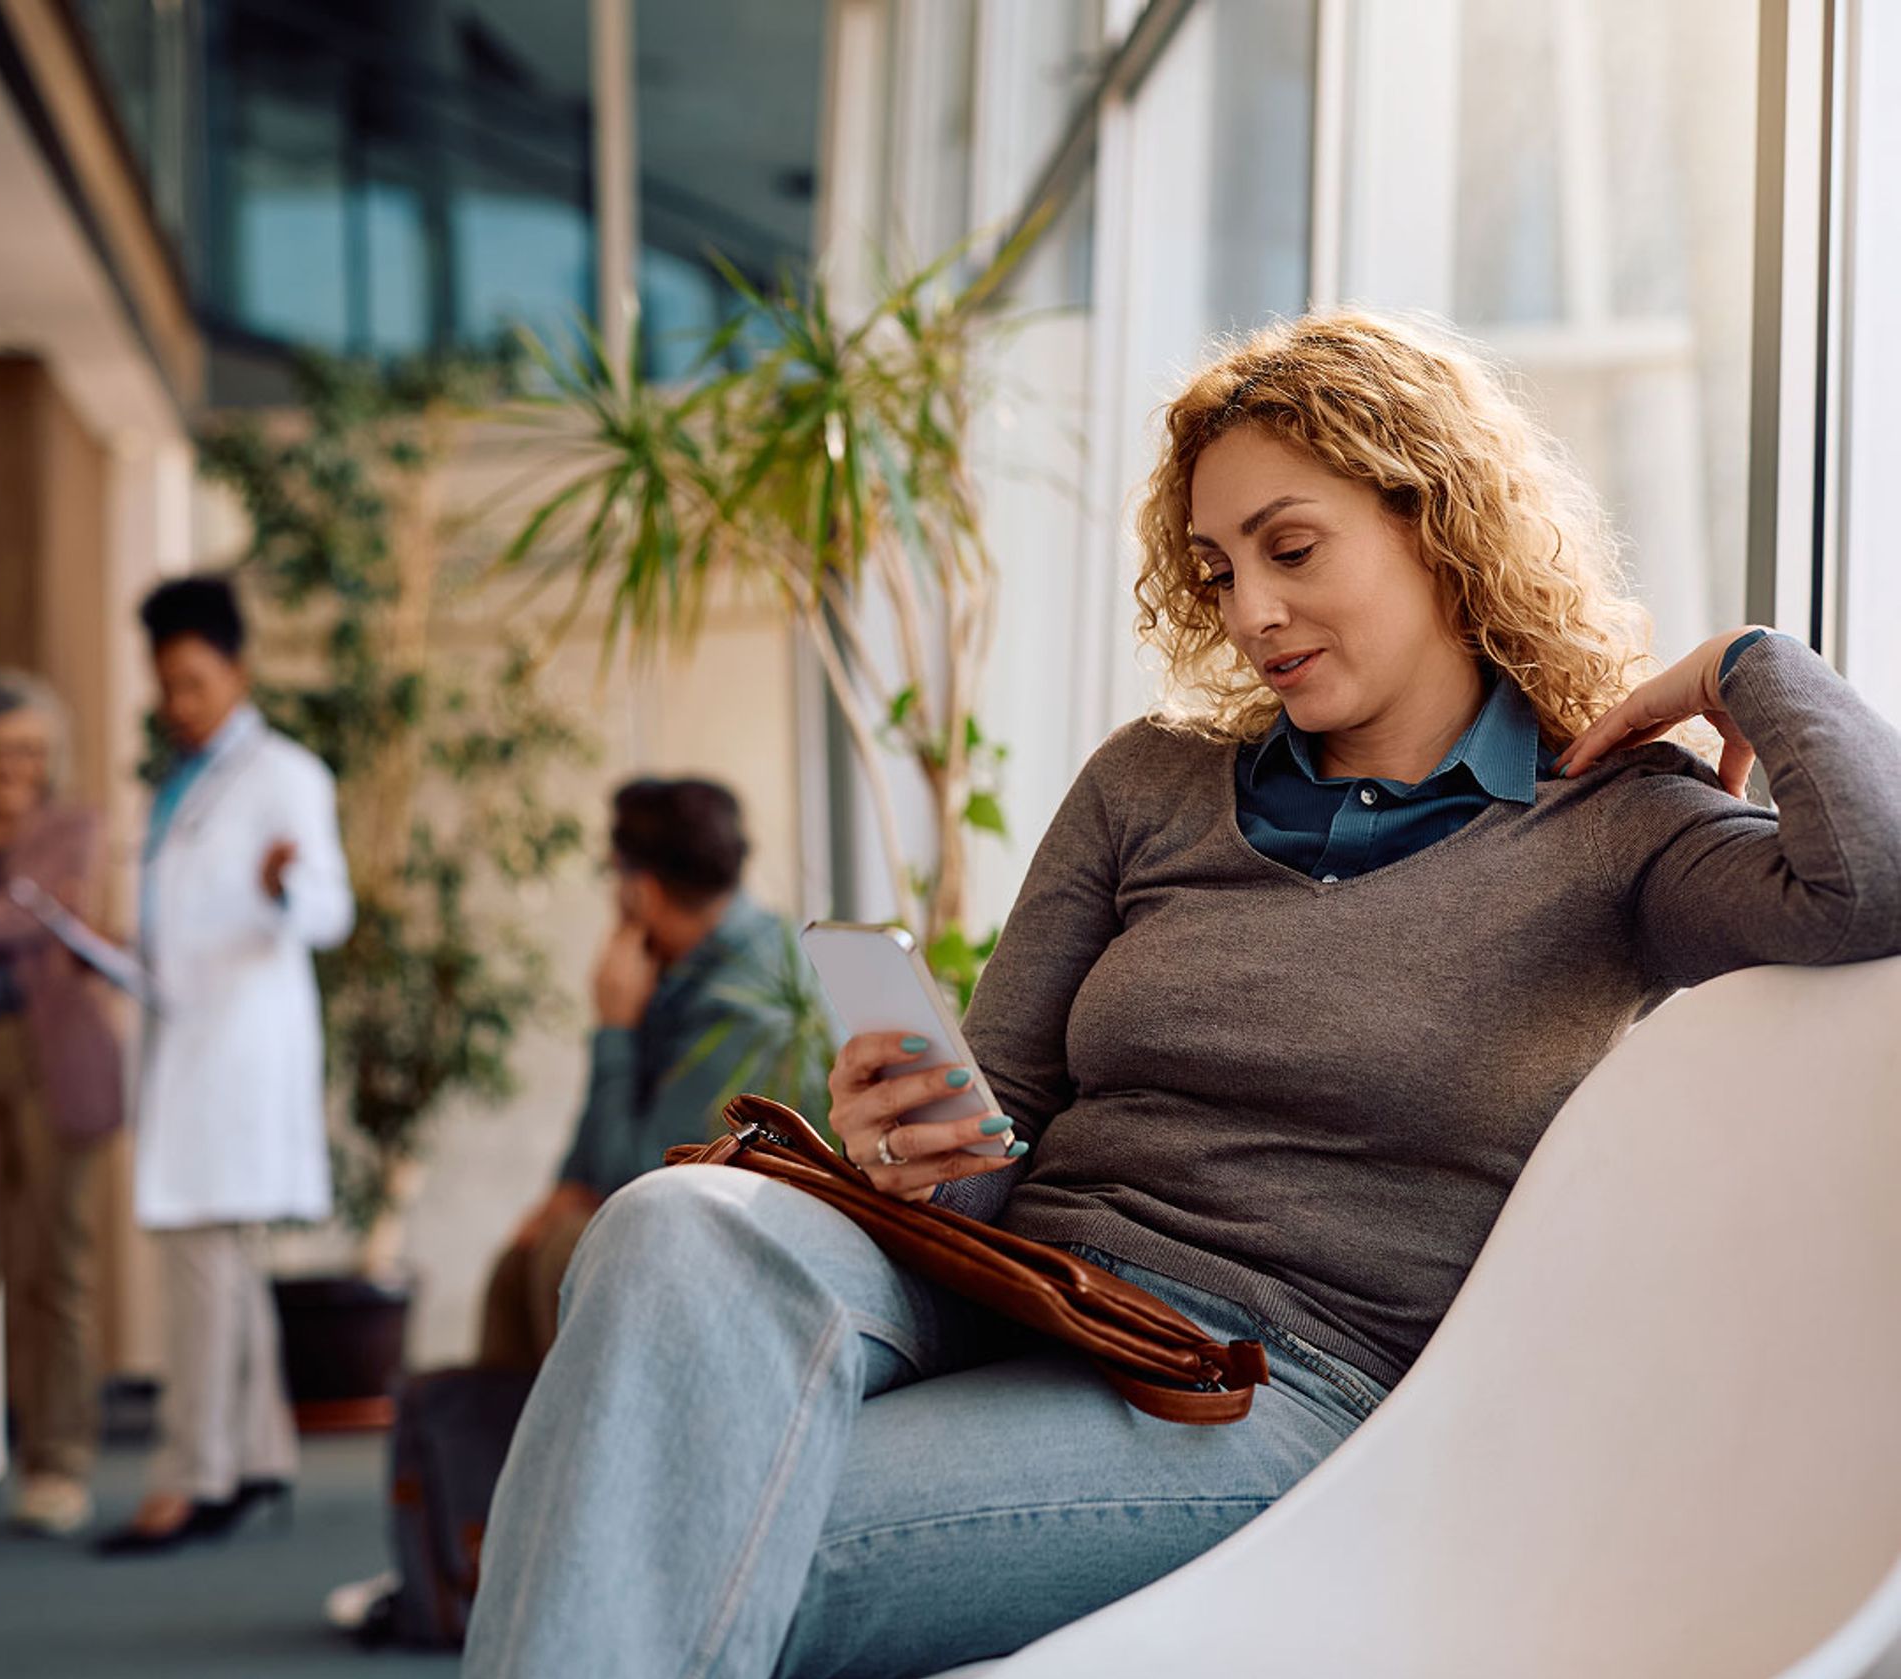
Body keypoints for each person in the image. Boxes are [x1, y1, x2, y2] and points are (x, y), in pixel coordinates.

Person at [461, 310, 1901, 1677]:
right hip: (1005, 1279)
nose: (1252, 611)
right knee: (674, 1220)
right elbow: (998, 1127)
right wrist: (913, 1147)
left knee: (659, 1519)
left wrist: (1746, 664)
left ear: (1439, 525)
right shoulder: (1149, 781)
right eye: (1217, 568)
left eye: (1290, 548)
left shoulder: (1614, 822)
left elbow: (1876, 884)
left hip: (1253, 1382)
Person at [98, 574, 353, 1555]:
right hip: (186, 1030)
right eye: (167, 684)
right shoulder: (179, 781)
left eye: (196, 681)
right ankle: (259, 1457)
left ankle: (190, 1477)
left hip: (240, 1047)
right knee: (224, 1265)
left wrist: (289, 884)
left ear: (240, 670)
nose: (179, 703)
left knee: (203, 1263)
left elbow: (330, 912)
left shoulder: (285, 774)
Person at [480, 776, 824, 1373]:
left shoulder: (749, 999)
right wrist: (565, 1186)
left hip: (763, 1235)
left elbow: (639, 1177)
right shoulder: (692, 966)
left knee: (568, 1249)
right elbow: (596, 1167)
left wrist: (613, 1028)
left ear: (639, 889)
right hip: (707, 1214)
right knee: (526, 1255)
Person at [0, 672, 122, 1551]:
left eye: (34, 751)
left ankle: (57, 1464)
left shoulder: (73, 829)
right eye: (3, 749)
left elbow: (26, 919)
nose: (18, 767)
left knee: (52, 1263)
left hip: (51, 1062)